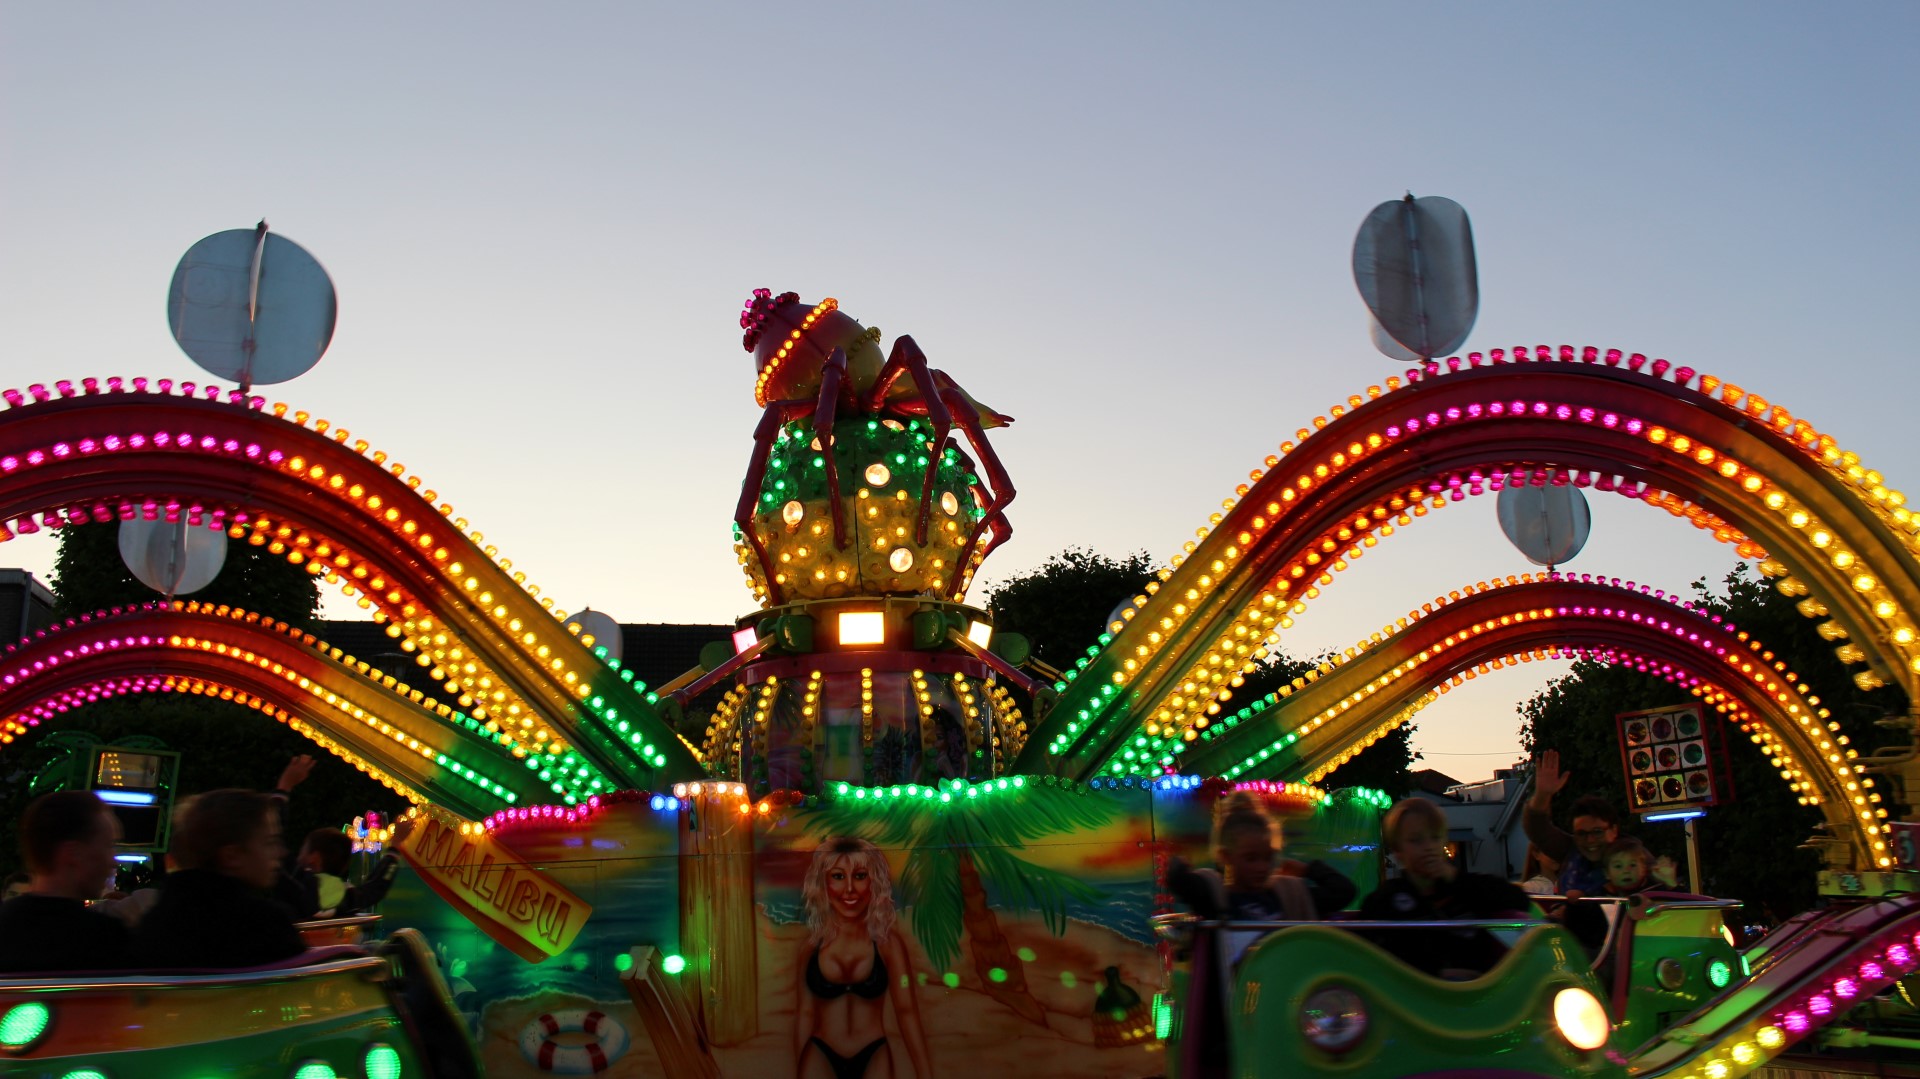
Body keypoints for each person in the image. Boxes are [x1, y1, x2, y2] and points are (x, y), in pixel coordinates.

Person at [794, 836, 931, 1079]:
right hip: (820, 1053)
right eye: (838, 876)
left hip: (873, 1052)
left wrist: (925, 1073)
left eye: (859, 876)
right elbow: (805, 1014)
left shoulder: (888, 946)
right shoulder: (811, 948)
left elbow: (907, 1012)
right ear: (823, 884)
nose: (849, 889)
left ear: (874, 882)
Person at [1361, 798, 1534, 979]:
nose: (1429, 847)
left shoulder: (1468, 888)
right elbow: (1370, 953)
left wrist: (1454, 877)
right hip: (1414, 991)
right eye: (1416, 841)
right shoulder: (1387, 899)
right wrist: (1436, 972)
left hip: (1478, 990)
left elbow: (1520, 900)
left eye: (1435, 838)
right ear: (1398, 851)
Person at [133, 789, 305, 969]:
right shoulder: (268, 926)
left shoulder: (154, 922)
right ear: (232, 856)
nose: (281, 852)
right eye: (270, 842)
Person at [1167, 791, 1355, 921]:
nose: (1262, 867)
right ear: (1226, 856)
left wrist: (1308, 869)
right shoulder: (1215, 897)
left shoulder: (1288, 895)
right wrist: (1180, 862)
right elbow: (1181, 881)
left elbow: (1344, 891)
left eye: (1268, 858)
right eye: (1251, 858)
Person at [0, 790, 131, 972]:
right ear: (73, 853)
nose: (113, 861)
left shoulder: (7, 928)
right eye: (108, 846)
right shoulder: (105, 940)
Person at [1522, 749, 1621, 896]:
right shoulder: (1571, 850)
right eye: (1582, 834)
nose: (1590, 840)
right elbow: (1537, 829)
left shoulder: (1633, 853)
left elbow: (1651, 894)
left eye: (1597, 832)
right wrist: (1542, 795)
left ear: (1614, 831)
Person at [1561, 837, 1680, 956]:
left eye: (1632, 865)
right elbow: (1582, 934)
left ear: (1643, 868)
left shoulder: (1657, 893)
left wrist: (1671, 883)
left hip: (1654, 953)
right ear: (1607, 873)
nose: (1626, 871)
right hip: (1613, 957)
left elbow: (1682, 915)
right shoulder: (1598, 899)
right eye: (1618, 866)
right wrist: (1575, 905)